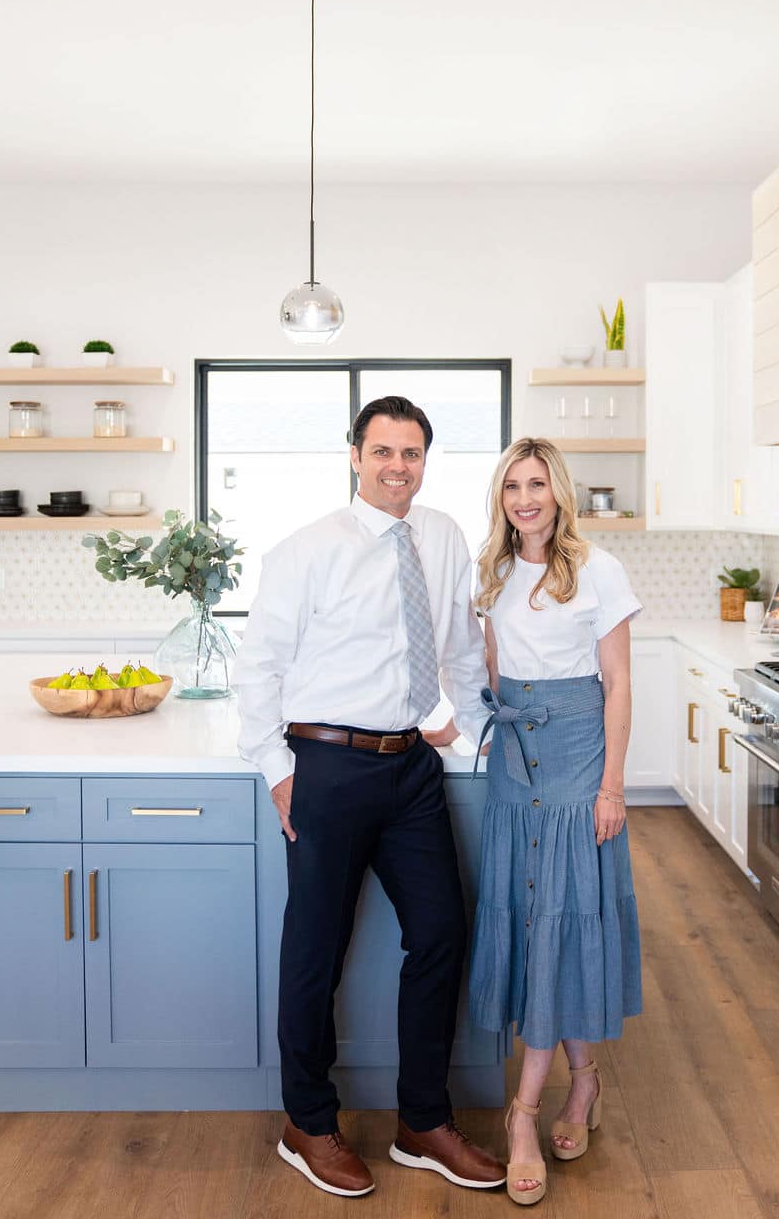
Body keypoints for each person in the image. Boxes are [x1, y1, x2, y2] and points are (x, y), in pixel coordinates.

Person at [235, 395, 505, 1199]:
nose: (398, 467)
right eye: (383, 451)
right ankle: (307, 1123)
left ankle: (422, 1121)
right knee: (316, 949)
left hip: (410, 766)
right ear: (355, 455)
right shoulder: (308, 549)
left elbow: (459, 648)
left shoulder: (445, 536)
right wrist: (275, 770)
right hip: (325, 766)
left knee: (442, 934)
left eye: (411, 453)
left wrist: (474, 728)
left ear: (425, 460)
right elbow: (260, 666)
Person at [427, 436, 643, 1205]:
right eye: (513, 486)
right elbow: (488, 674)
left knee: (562, 916)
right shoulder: (491, 574)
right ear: (502, 497)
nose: (526, 499)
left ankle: (523, 1114)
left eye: (538, 485)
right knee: (538, 922)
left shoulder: (597, 571)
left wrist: (612, 787)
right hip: (516, 764)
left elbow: (617, 684)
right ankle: (583, 1082)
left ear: (560, 494)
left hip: (581, 760)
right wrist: (452, 720)